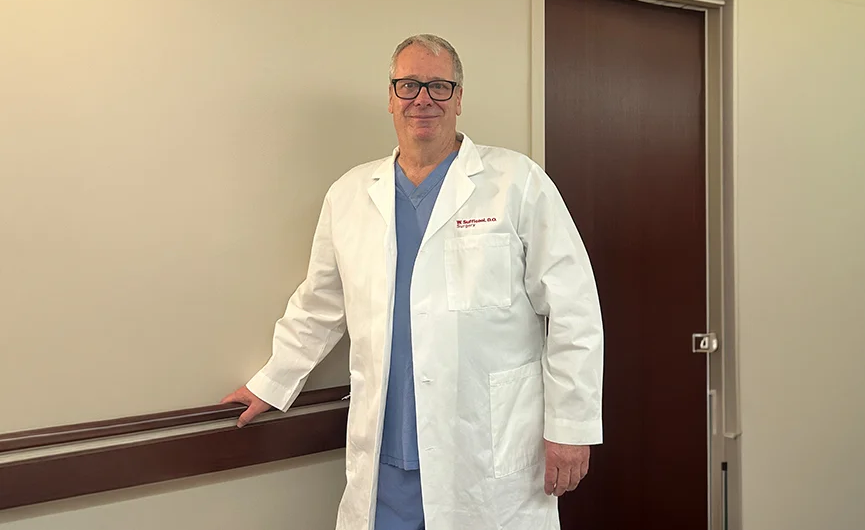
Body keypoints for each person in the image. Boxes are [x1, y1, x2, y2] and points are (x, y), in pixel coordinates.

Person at [222, 34, 604, 530]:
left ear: (459, 99)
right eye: (408, 85)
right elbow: (320, 304)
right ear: (390, 97)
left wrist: (571, 427)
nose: (422, 98)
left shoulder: (517, 183)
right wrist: (271, 383)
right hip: (386, 466)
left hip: (484, 457)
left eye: (439, 86)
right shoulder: (351, 194)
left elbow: (574, 308)